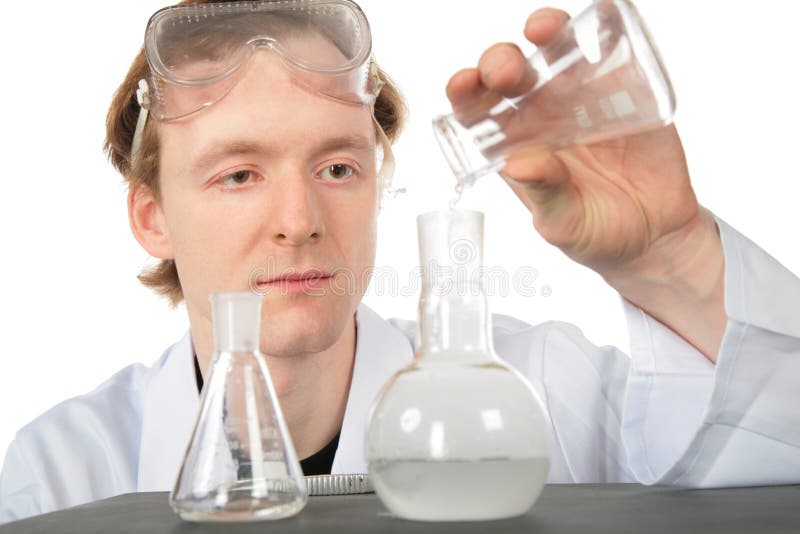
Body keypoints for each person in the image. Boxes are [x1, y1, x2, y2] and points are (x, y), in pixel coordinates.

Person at [1, 0, 799, 525]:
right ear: (153, 218)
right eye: (238, 174)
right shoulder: (67, 470)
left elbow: (771, 470)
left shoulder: (543, 395)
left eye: (338, 167)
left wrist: (674, 254)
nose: (299, 222)